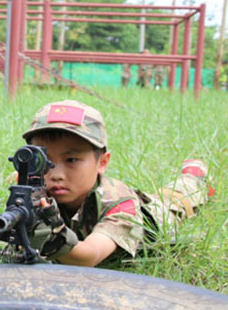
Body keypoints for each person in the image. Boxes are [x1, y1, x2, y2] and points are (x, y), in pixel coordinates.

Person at [21, 100, 213, 266]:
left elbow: (88, 257)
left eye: (71, 160)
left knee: (179, 198)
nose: (55, 174)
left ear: (102, 162)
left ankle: (195, 173)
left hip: (156, 214)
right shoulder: (38, 187)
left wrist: (54, 238)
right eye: (44, 161)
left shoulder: (121, 205)